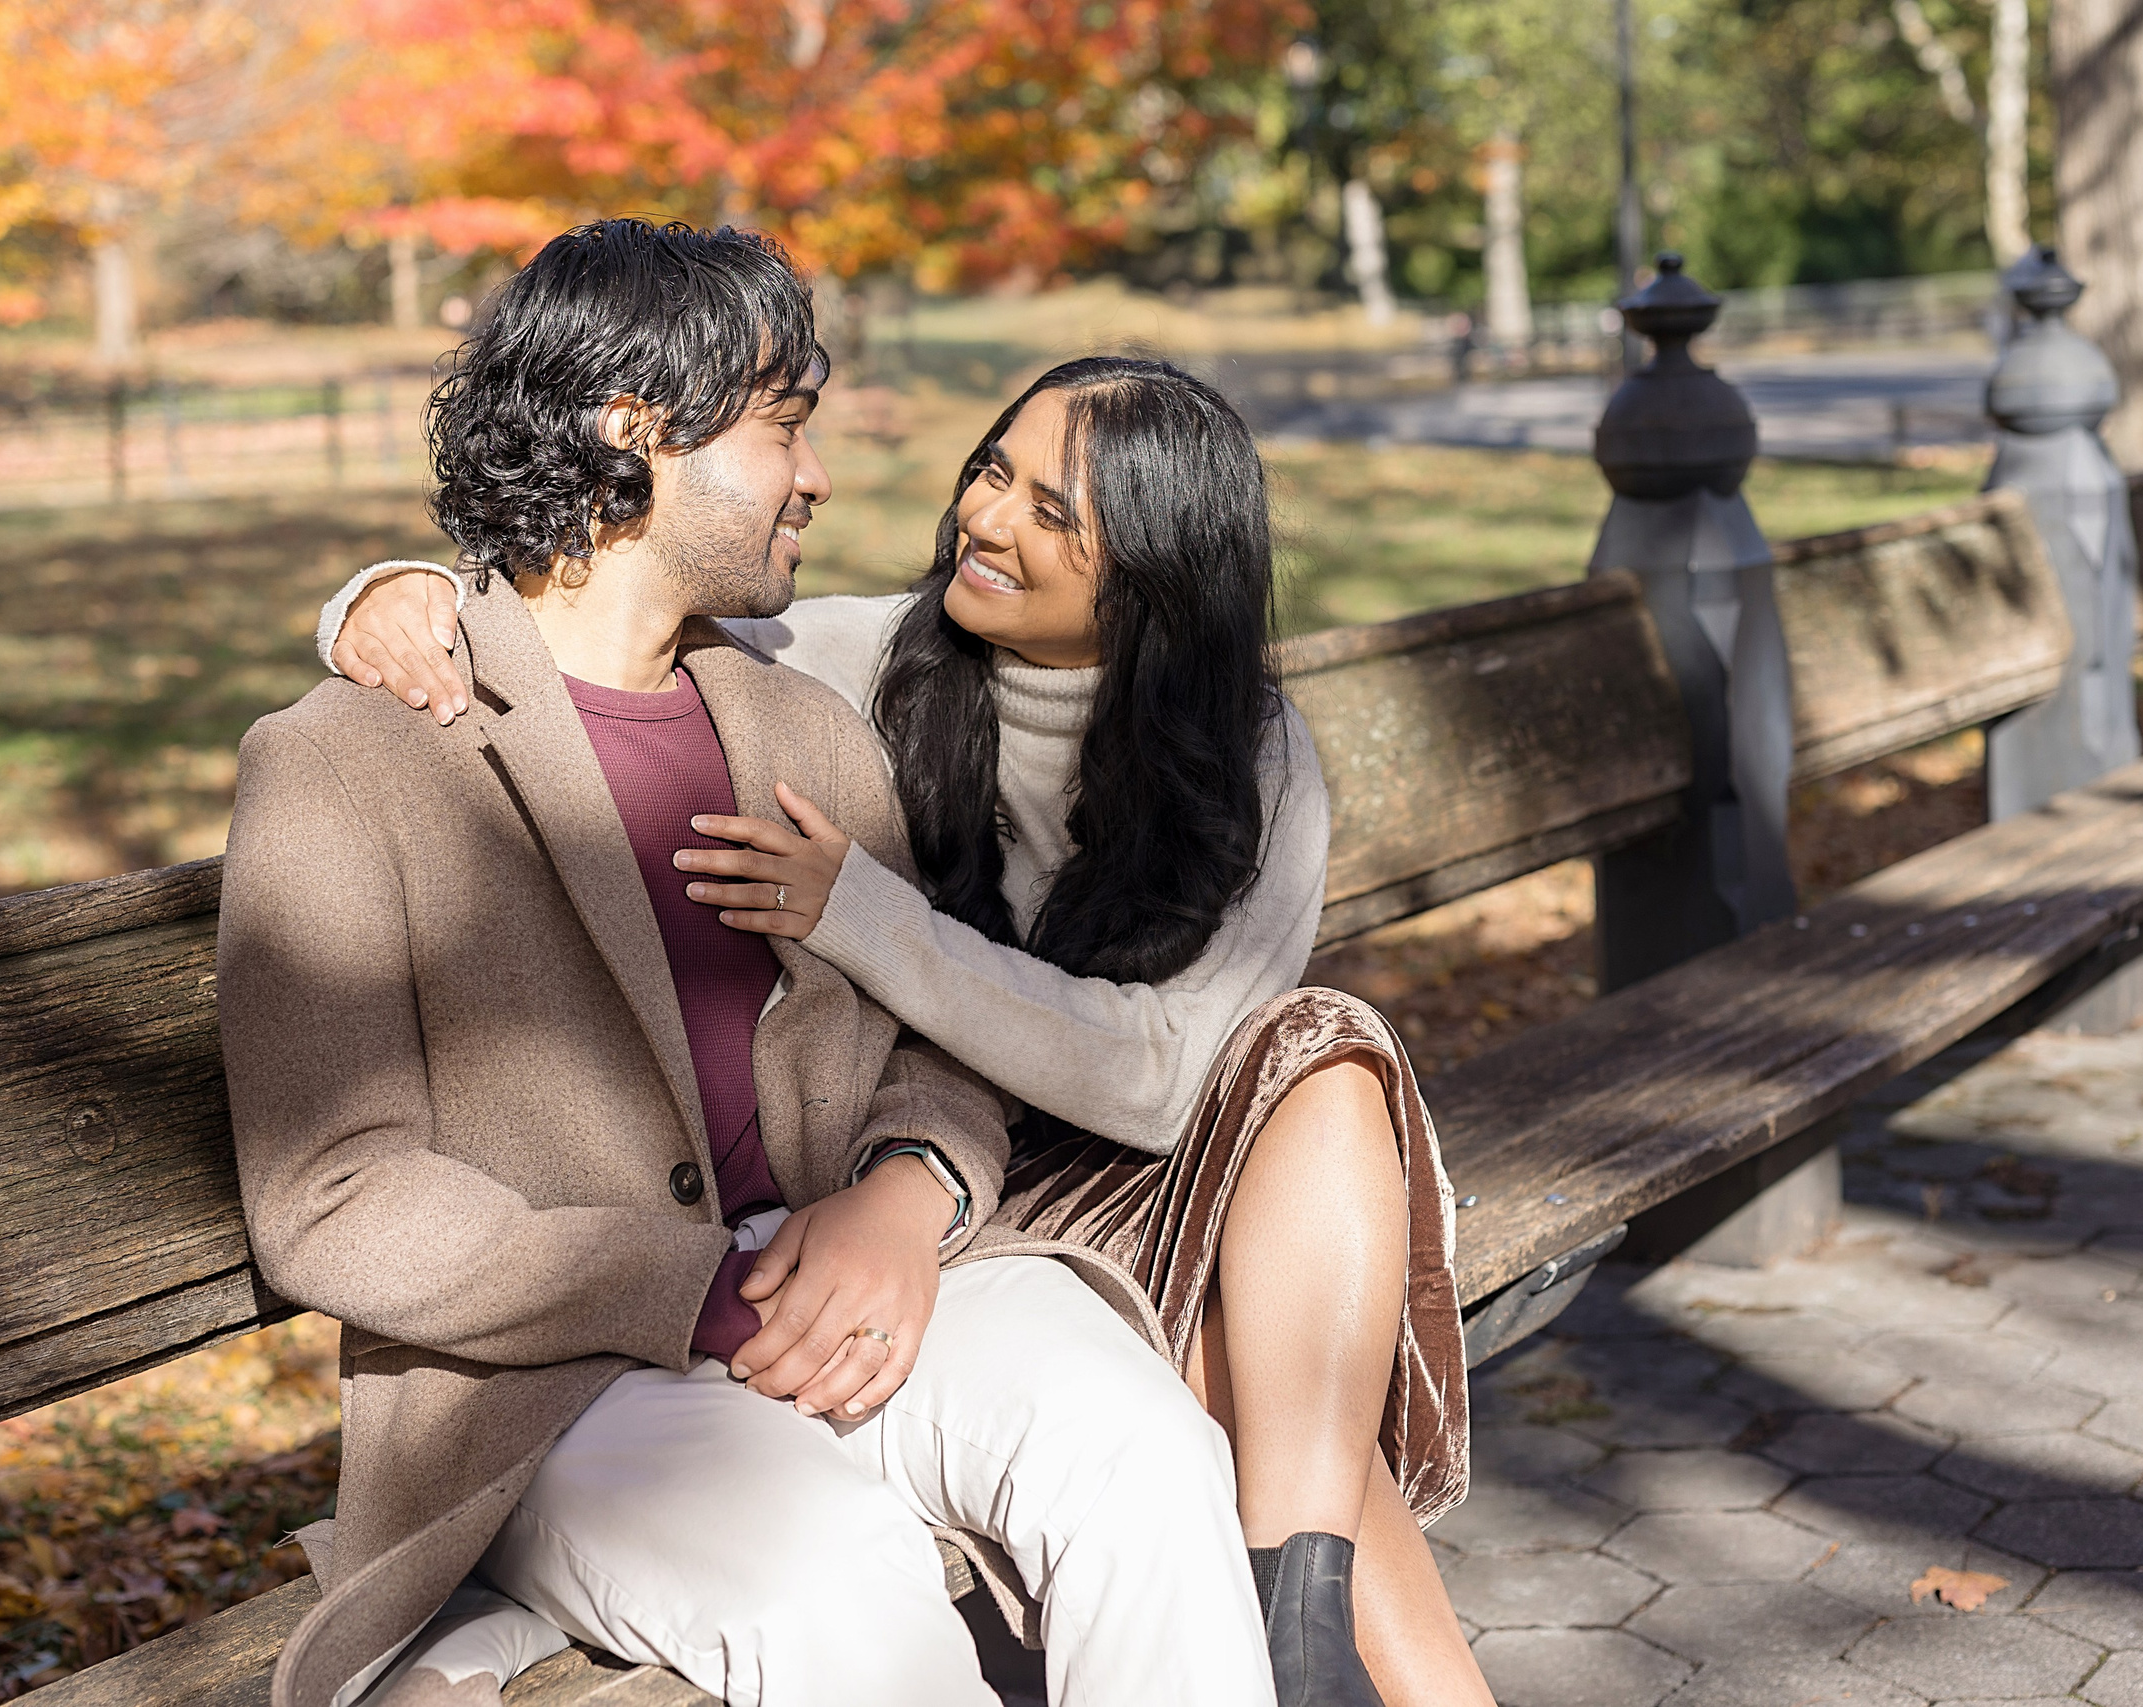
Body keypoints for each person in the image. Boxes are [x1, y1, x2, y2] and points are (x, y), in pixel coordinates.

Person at [326, 352, 1498, 1707]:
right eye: (993, 471)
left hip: (1120, 1158)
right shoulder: (858, 660)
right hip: (958, 1190)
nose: (989, 521)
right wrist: (390, 595)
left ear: (1162, 575)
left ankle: (1293, 1631)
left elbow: (1170, 1078)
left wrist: (865, 917)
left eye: (1055, 514)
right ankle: (1298, 1633)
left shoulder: (1254, 756)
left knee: (1326, 1052)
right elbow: (599, 624)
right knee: (1272, 1389)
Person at [218, 219, 1276, 1707]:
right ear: (632, 430)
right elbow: (332, 1198)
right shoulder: (348, 766)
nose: (823, 476)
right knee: (840, 1579)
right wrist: (699, 1290)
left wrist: (910, 1202)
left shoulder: (807, 730)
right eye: (786, 425)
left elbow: (932, 1053)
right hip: (552, 1388)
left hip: (849, 1286)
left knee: (1148, 1449)